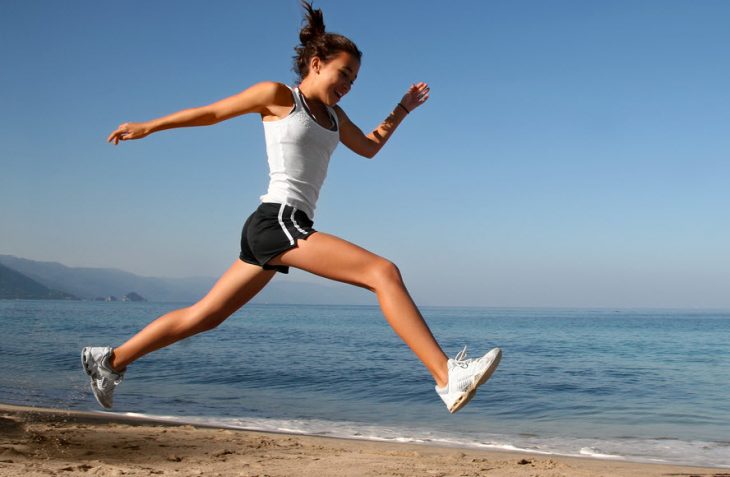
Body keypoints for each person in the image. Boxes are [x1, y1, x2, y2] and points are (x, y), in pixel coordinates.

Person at [82, 1, 501, 414]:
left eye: (354, 79)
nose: (348, 84)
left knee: (205, 316)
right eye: (344, 73)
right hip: (278, 218)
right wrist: (149, 126)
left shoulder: (336, 117)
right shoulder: (279, 96)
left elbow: (370, 147)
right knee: (383, 272)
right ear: (316, 63)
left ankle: (110, 360)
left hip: (277, 226)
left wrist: (402, 109)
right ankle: (448, 377)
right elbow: (212, 112)